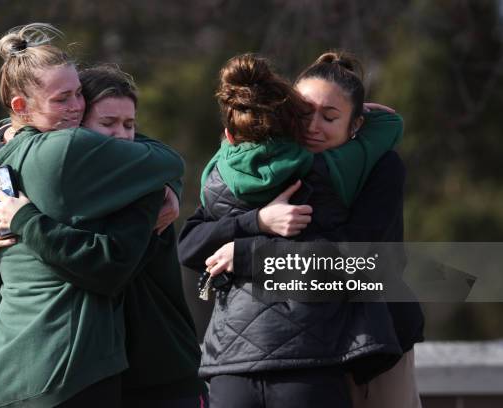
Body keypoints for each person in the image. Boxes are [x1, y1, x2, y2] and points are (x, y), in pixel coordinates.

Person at [0, 23, 189, 408]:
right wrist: (167, 186)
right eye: (62, 99)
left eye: (79, 94)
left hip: (3, 371)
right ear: (20, 105)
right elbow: (168, 161)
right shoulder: (66, 147)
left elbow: (2, 279)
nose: (76, 107)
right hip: (68, 370)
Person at [178, 52, 423, 408]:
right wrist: (257, 220)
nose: (313, 126)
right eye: (305, 112)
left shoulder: (375, 166)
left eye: (330, 116)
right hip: (301, 352)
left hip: (377, 336)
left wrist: (245, 254)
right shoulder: (269, 165)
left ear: (356, 125)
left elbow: (358, 258)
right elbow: (191, 243)